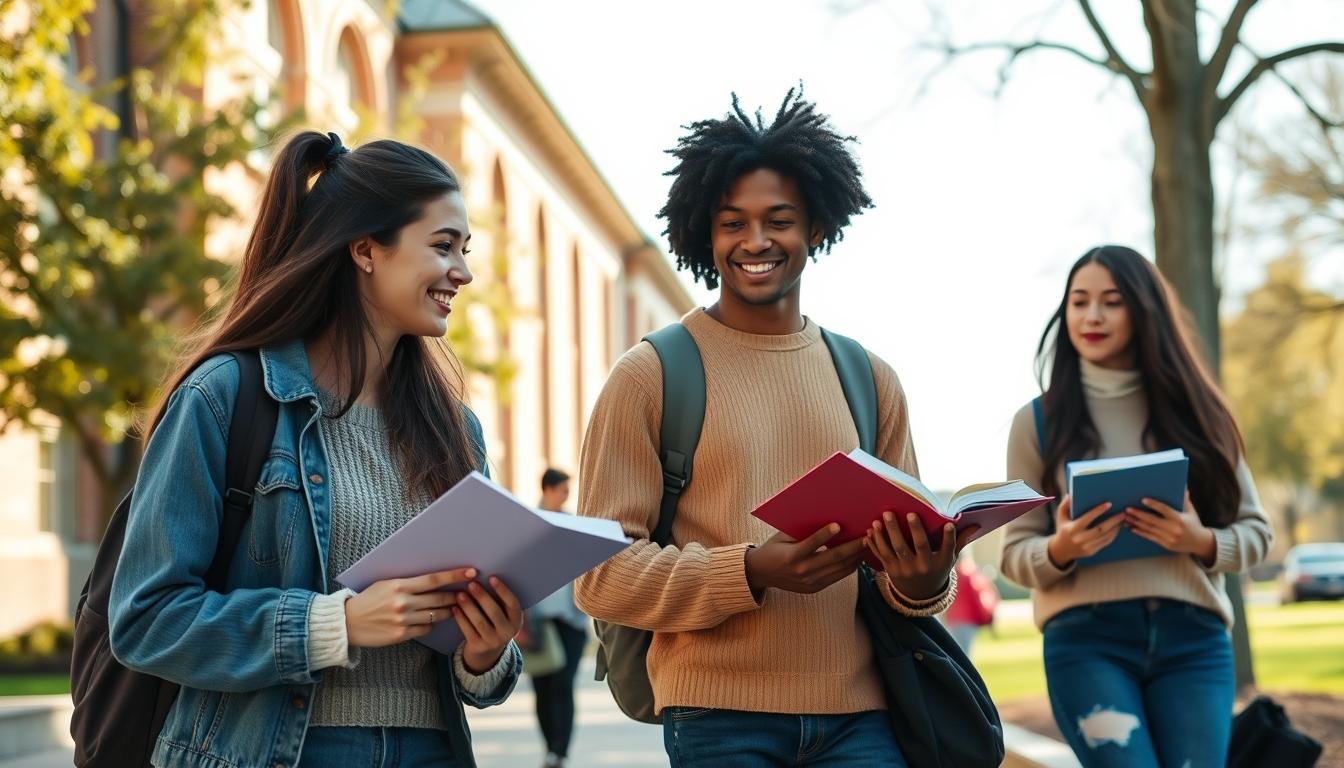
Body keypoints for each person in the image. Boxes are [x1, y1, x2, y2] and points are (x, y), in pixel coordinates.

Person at [108, 131, 524, 768]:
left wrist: (485, 651)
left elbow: (473, 677)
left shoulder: (454, 429)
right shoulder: (226, 397)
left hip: (431, 751)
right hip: (275, 753)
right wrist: (337, 624)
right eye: (443, 246)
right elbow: (146, 618)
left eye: (465, 250)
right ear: (365, 250)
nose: (463, 272)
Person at [573, 90, 963, 768]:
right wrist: (751, 569)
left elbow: (912, 590)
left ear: (815, 227)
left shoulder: (870, 379)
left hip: (865, 720)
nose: (755, 242)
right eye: (732, 223)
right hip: (719, 719)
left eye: (778, 220)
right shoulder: (652, 374)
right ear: (705, 233)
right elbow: (600, 576)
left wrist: (925, 577)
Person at [999, 245, 1273, 768]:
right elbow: (1014, 553)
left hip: (1194, 640)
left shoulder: (1203, 414)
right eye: (1079, 302)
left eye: (1112, 301)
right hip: (1087, 642)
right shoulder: (1035, 422)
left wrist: (1199, 540)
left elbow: (1257, 533)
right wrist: (1061, 548)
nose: (1092, 316)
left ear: (1144, 311)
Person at [521, 468, 589, 768]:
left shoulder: (573, 526)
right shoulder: (526, 527)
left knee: (563, 686)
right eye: (563, 491)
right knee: (542, 689)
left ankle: (559, 752)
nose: (566, 497)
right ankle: (549, 747)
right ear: (548, 489)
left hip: (570, 624)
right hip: (537, 625)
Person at [942, 554, 999, 654]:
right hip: (967, 621)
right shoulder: (969, 575)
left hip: (952, 620)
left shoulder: (948, 576)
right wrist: (986, 617)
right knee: (964, 655)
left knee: (955, 653)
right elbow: (977, 598)